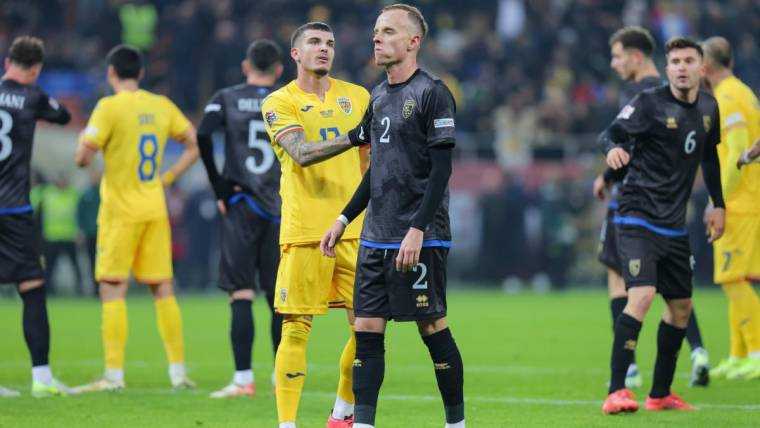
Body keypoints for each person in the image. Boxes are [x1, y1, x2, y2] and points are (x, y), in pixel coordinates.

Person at [320, 5, 465, 427]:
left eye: (387, 31)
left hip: (420, 235)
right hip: (375, 236)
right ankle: (363, 422)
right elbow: (377, 172)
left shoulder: (433, 92)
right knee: (366, 331)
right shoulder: (377, 97)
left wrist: (417, 229)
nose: (377, 38)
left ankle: (455, 423)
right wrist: (344, 218)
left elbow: (442, 171)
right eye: (375, 31)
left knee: (432, 326)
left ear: (413, 41)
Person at [598, 37, 724, 414]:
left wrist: (719, 204)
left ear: (702, 68)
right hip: (636, 215)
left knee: (682, 307)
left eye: (689, 60)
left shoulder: (708, 107)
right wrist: (612, 152)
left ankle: (660, 394)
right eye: (675, 61)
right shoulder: (648, 102)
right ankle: (617, 391)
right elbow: (609, 134)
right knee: (642, 294)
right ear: (666, 68)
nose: (682, 67)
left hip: (674, 223)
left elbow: (711, 159)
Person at [260, 22, 371, 428]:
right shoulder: (278, 102)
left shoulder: (357, 96)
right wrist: (352, 135)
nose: (324, 49)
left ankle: (342, 411)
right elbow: (301, 153)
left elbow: (370, 161)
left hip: (354, 230)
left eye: (329, 43)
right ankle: (287, 424)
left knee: (368, 328)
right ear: (295, 53)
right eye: (314, 42)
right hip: (305, 231)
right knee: (296, 328)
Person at [73, 44, 199, 392]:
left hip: (120, 211)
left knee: (113, 287)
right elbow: (193, 144)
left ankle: (113, 376)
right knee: (162, 287)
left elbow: (83, 159)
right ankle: (178, 372)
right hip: (153, 206)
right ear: (140, 73)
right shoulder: (160, 105)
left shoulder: (108, 107)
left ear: (111, 73)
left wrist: (83, 142)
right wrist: (168, 178)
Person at [197, 39, 285, 398]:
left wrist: (220, 188)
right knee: (279, 298)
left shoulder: (226, 97)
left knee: (242, 293)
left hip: (242, 204)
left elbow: (202, 134)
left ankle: (243, 379)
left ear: (246, 65)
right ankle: (283, 376)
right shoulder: (288, 98)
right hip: (281, 207)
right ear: (278, 69)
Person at [0, 36, 72, 397]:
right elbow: (63, 115)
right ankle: (42, 379)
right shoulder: (34, 97)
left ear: (8, 60)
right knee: (31, 288)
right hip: (14, 209)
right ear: (36, 68)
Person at [701, 36, 760, 381]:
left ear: (706, 67)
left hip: (739, 202)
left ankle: (756, 351)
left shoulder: (729, 97)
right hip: (744, 200)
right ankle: (739, 353)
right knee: (730, 278)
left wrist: (718, 200)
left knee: (733, 277)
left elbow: (738, 149)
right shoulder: (742, 92)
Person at [39, 174, 83, 295]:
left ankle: (81, 290)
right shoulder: (46, 193)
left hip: (69, 236)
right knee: (50, 267)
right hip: (52, 236)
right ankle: (48, 290)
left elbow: (79, 214)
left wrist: (79, 232)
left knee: (75, 266)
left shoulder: (73, 194)